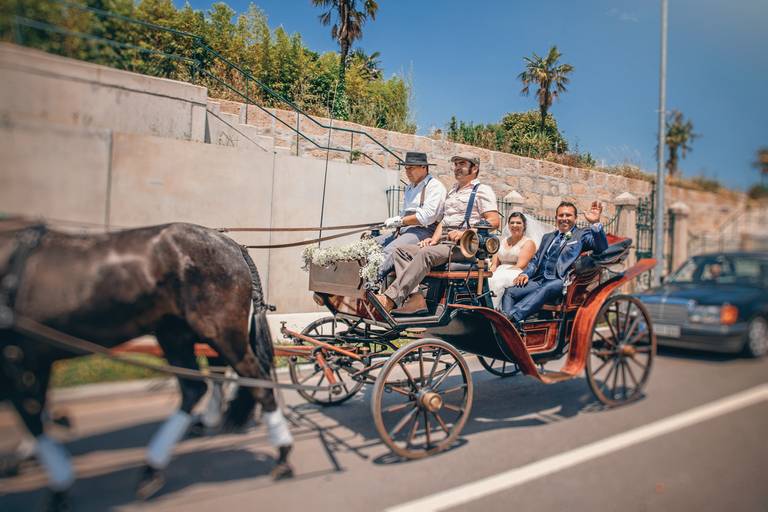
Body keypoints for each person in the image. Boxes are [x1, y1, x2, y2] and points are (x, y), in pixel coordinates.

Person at [375, 152, 500, 314]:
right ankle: (416, 299)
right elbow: (444, 220)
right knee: (401, 251)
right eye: (456, 164)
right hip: (443, 243)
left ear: (474, 168)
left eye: (462, 164)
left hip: (464, 247)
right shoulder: (453, 191)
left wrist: (465, 233)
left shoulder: (482, 190)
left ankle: (390, 299)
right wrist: (432, 240)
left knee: (425, 254)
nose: (457, 168)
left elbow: (495, 221)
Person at [500, 200, 608, 332]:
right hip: (539, 279)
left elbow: (601, 247)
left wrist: (595, 223)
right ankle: (510, 331)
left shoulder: (581, 235)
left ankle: (509, 319)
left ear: (575, 218)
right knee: (510, 291)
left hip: (561, 281)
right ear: (556, 217)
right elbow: (535, 260)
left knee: (547, 287)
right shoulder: (548, 237)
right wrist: (525, 274)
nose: (564, 219)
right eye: (561, 215)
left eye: (568, 215)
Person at [377, 152, 447, 279]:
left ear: (424, 167)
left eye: (411, 168)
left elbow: (426, 217)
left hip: (425, 231)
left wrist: (400, 221)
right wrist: (397, 222)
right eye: (406, 168)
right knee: (372, 244)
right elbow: (404, 214)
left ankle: (373, 281)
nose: (408, 171)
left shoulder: (435, 186)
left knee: (389, 250)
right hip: (405, 230)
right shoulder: (409, 188)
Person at [488, 212, 537, 309]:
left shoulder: (528, 243)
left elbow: (520, 265)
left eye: (518, 223)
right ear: (508, 225)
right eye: (512, 222)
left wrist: (499, 273)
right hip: (500, 270)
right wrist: (489, 272)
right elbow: (494, 265)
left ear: (524, 225)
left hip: (516, 272)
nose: (515, 225)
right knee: (487, 279)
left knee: (498, 280)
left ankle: (494, 309)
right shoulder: (502, 241)